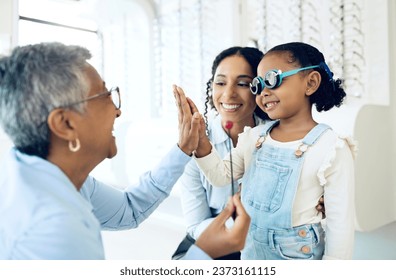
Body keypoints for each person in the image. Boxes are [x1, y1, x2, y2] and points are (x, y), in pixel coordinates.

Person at [0, 42, 250, 260]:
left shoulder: (50, 176)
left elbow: (129, 209)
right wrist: (202, 254)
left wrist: (184, 148)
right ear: (65, 124)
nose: (117, 110)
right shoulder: (54, 228)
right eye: (105, 95)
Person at [174, 42, 356, 260]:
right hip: (247, 251)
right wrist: (200, 140)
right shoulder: (254, 138)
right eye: (258, 86)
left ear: (311, 82)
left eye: (272, 80)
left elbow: (340, 228)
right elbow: (220, 176)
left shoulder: (332, 147)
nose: (264, 92)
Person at [173, 46, 269, 260]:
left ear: (259, 88)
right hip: (214, 242)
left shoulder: (275, 136)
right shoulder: (194, 143)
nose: (228, 94)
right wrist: (237, 227)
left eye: (243, 84)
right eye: (221, 82)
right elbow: (196, 224)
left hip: (267, 243)